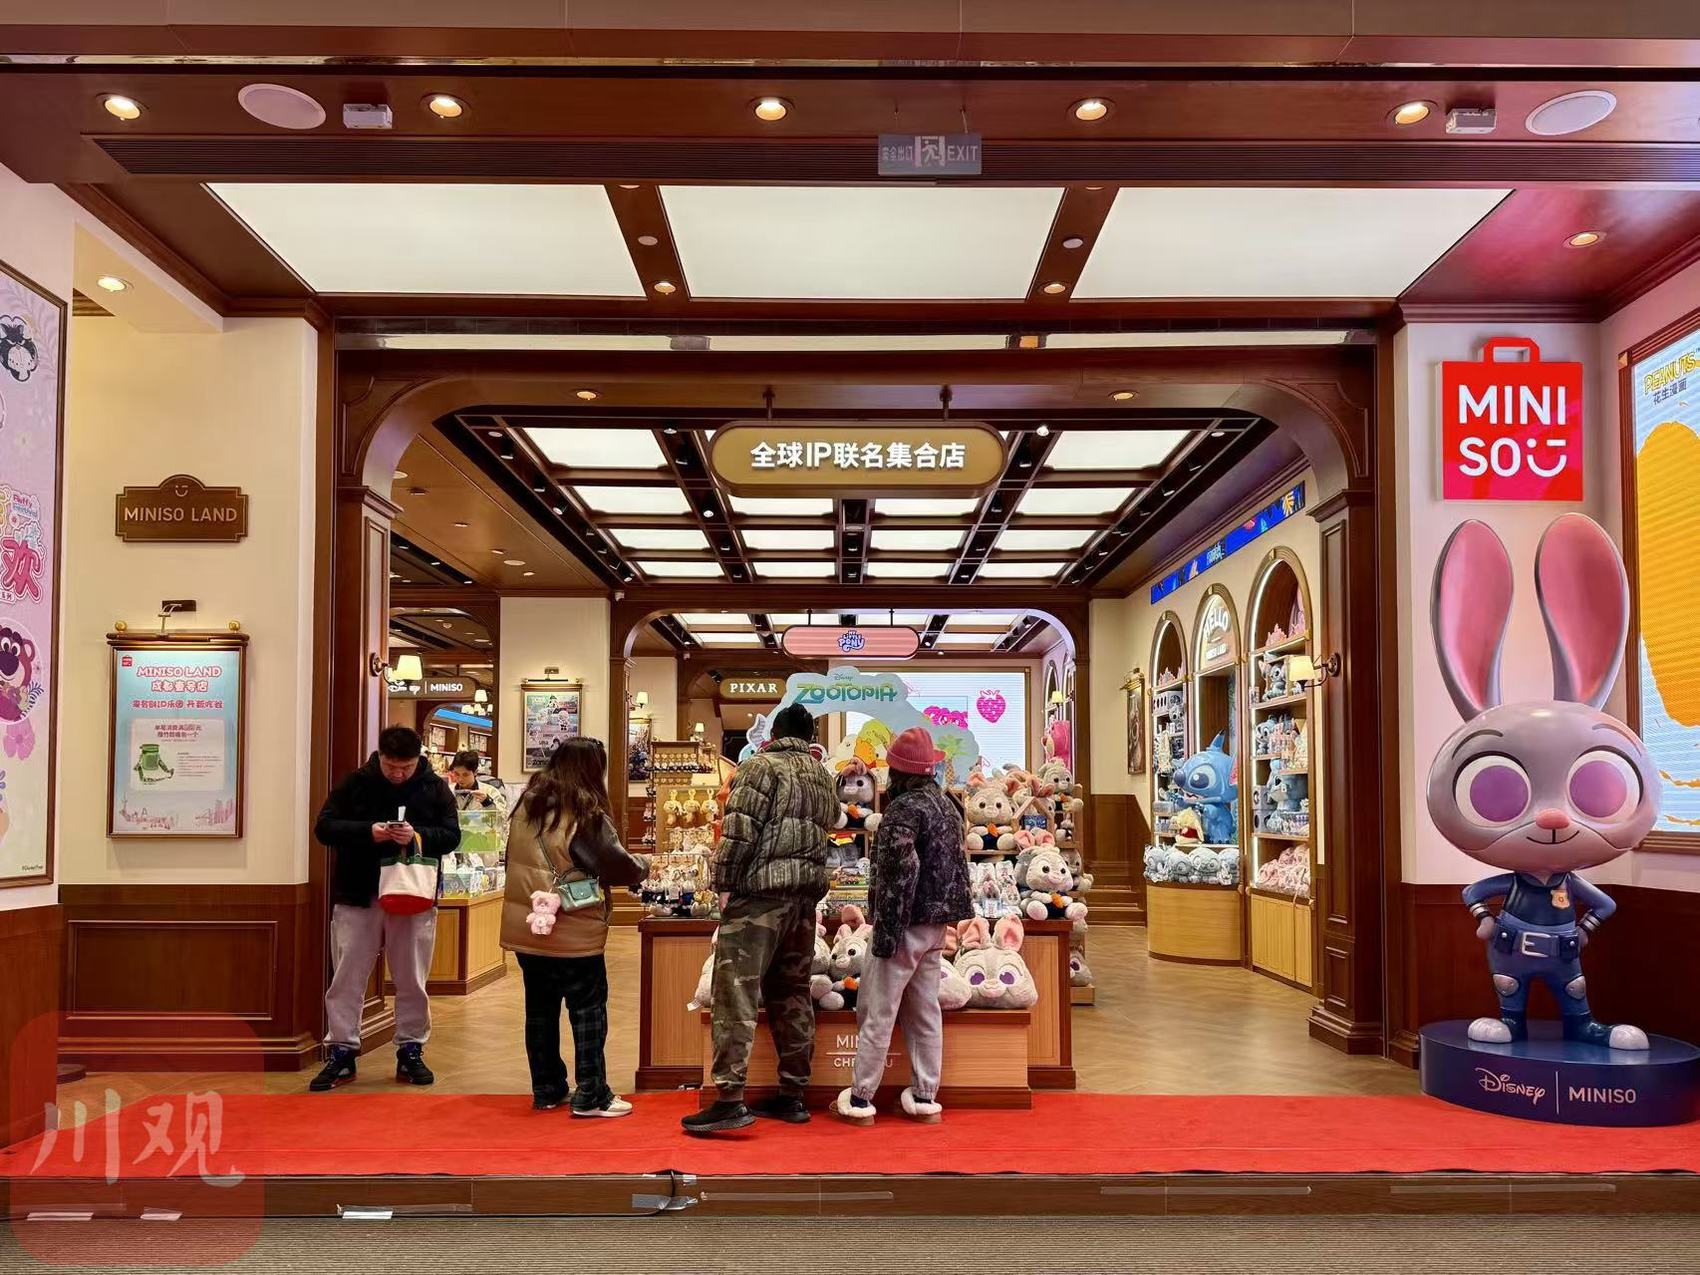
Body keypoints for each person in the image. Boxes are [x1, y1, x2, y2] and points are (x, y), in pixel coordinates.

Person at [682, 703, 838, 1135]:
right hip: (803, 900)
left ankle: (729, 1099)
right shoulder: (821, 775)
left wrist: (724, 884)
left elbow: (738, 832)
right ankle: (793, 1094)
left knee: (736, 993)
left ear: (774, 734)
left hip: (759, 898)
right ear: (809, 738)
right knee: (792, 993)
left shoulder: (758, 767)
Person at [501, 737, 650, 1114]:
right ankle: (591, 1093)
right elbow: (615, 864)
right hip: (573, 926)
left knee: (540, 1010)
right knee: (588, 1010)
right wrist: (643, 867)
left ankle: (547, 1088)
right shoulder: (584, 813)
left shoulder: (527, 806)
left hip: (530, 924)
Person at [310, 725, 461, 1091]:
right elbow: (325, 828)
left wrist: (417, 835)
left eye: (405, 767)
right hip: (357, 893)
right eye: (391, 766)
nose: (397, 774)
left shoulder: (434, 787)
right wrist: (369, 832)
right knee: (347, 976)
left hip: (414, 895)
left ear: (417, 759)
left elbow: (452, 836)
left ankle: (411, 1049)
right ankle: (341, 1050)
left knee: (411, 977)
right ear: (380, 756)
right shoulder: (356, 782)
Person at [832, 726, 970, 1125]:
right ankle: (925, 1095)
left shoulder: (903, 810)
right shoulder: (946, 805)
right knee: (925, 1011)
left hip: (903, 922)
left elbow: (898, 875)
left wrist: (887, 931)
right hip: (935, 924)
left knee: (878, 1010)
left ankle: (861, 1099)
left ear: (896, 770)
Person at [448, 749, 507, 813]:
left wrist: (487, 803)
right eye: (457, 774)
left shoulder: (491, 792)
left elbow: (503, 817)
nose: (460, 779)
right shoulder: (448, 791)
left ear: (475, 772)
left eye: (465, 775)